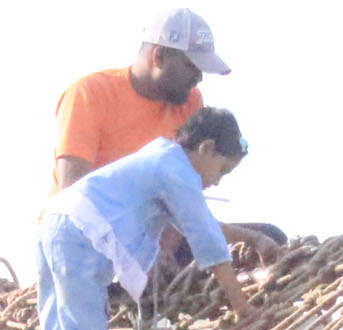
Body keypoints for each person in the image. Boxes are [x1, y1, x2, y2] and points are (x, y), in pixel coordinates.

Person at [25, 107, 270, 330]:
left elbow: (199, 222)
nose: (217, 182)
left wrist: (252, 237)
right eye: (221, 170)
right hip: (82, 239)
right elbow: (206, 237)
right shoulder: (178, 171)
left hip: (55, 225)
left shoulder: (160, 157)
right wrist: (241, 305)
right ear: (205, 148)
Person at [51, 7, 229, 192]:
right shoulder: (89, 94)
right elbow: (72, 194)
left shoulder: (191, 101)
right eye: (192, 66)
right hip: (87, 210)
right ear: (158, 57)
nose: (199, 78)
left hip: (149, 211)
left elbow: (186, 188)